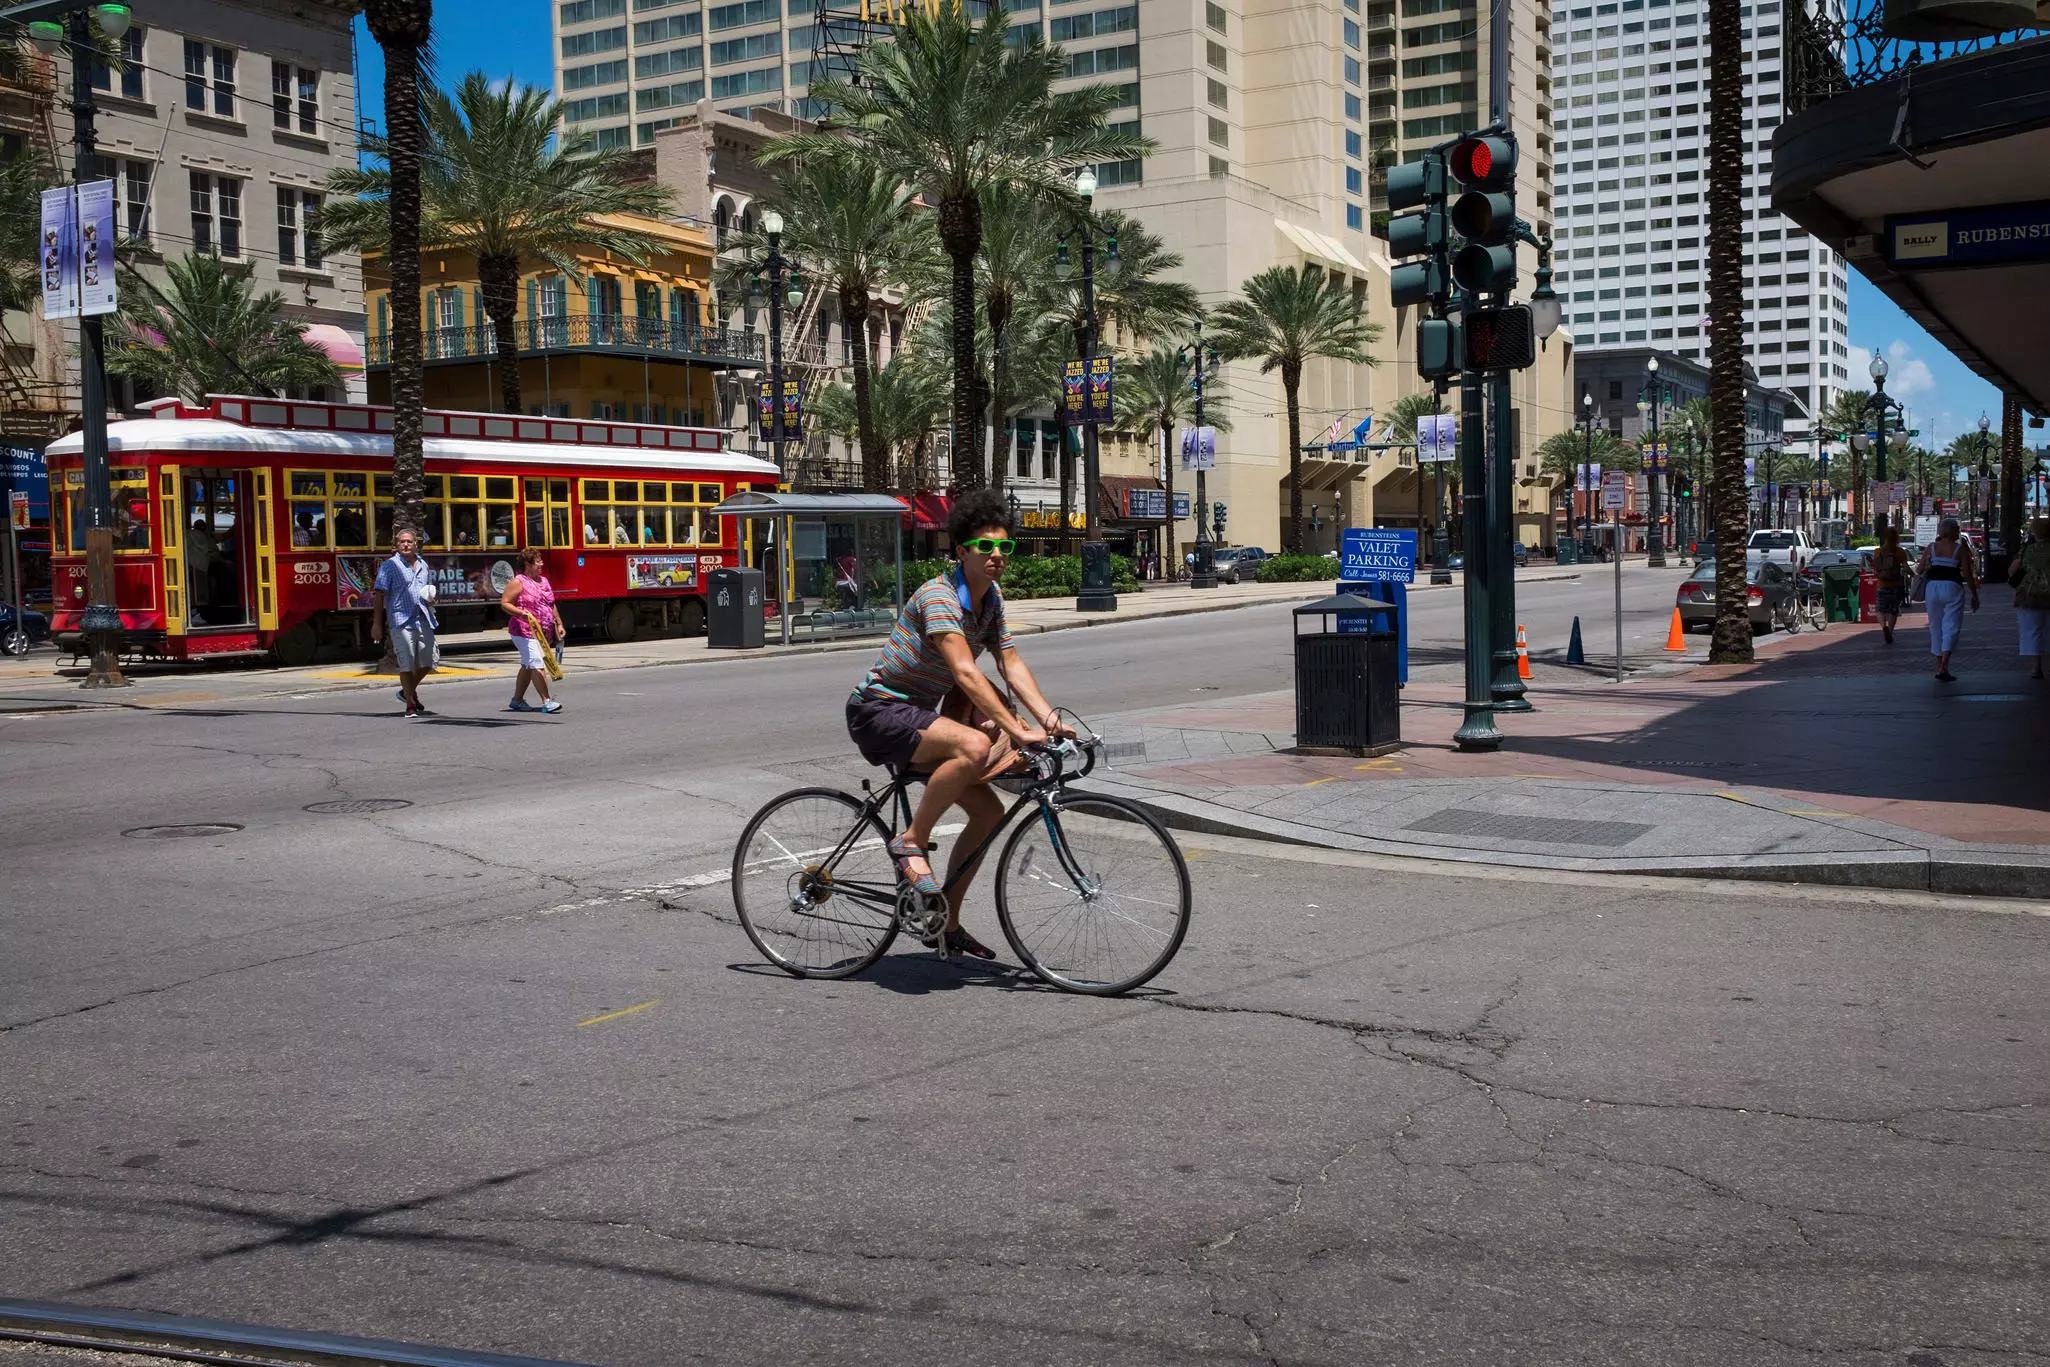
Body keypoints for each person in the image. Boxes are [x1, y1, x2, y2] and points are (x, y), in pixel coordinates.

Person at [845, 488, 1069, 961]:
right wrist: (1018, 726)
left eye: (1004, 547)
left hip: (922, 718)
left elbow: (1009, 662)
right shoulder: (939, 596)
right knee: (971, 744)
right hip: (878, 711)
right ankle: (910, 842)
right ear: (962, 550)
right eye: (985, 547)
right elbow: (966, 672)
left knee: (990, 813)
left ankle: (947, 922)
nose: (995, 556)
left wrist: (1047, 718)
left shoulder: (990, 602)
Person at [368, 528, 438, 718]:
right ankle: (410, 704)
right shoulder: (389, 566)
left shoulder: (423, 565)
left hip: (422, 617)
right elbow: (379, 594)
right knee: (406, 663)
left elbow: (426, 590)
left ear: (416, 544)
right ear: (397, 545)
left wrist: (431, 599)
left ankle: (406, 691)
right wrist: (377, 624)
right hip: (400, 620)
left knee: (428, 661)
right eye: (402, 542)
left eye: (409, 542)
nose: (406, 544)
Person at [501, 546, 564, 714]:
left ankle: (517, 700)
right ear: (527, 565)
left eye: (541, 561)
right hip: (523, 631)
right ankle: (547, 701)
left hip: (542, 633)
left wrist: (559, 623)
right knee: (536, 662)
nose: (541, 564)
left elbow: (551, 604)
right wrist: (521, 613)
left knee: (527, 665)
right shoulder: (518, 582)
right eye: (537, 562)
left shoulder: (544, 581)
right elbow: (505, 603)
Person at [1918, 516, 1979, 682]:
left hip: (1932, 588)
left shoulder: (1931, 548)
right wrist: (1974, 594)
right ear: (1951, 531)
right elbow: (1967, 574)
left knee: (1935, 625)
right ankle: (1944, 664)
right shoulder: (1960, 550)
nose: (1959, 532)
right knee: (1951, 625)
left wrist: (1931, 564)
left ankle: (1939, 665)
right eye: (1957, 529)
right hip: (1952, 587)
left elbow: (1919, 569)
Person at [2008, 517, 2050, 679]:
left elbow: (2013, 571)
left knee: (2031, 630)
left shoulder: (2027, 550)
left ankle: (2036, 666)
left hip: (2029, 594)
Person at [1872, 524, 1910, 644]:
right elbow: (1905, 567)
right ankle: (1891, 631)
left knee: (1880, 610)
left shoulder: (1878, 551)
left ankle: (1884, 627)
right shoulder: (1900, 552)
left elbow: (1876, 567)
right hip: (1896, 584)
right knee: (1893, 610)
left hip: (1882, 584)